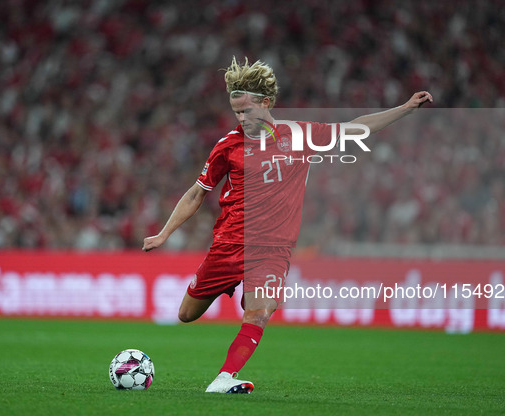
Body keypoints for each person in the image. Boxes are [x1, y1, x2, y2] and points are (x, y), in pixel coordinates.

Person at [143, 56, 432, 394]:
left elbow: (357, 127)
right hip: (230, 244)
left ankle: (223, 379)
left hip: (272, 249)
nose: (241, 118)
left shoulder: (300, 135)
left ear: (265, 103)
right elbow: (196, 193)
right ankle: (223, 331)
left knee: (260, 311)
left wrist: (406, 108)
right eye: (236, 112)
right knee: (186, 314)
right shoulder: (228, 146)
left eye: (246, 111)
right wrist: (164, 232)